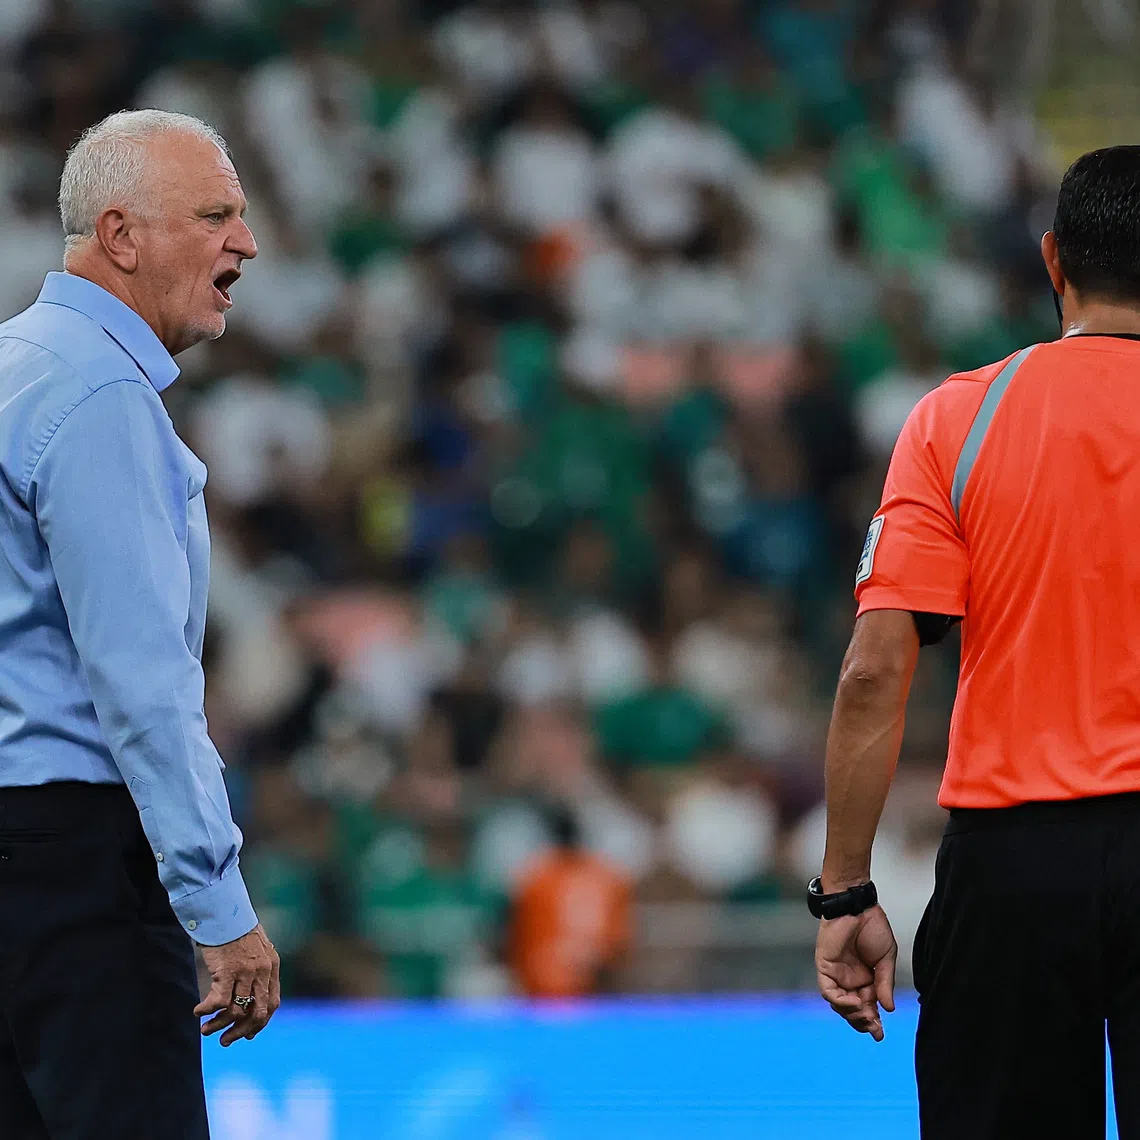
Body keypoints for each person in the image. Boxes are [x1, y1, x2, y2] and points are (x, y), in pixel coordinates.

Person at [810, 145, 1140, 1139]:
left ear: (1053, 261)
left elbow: (875, 669)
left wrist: (845, 892)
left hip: (1012, 866)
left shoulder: (957, 419)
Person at [0, 110, 279, 1140]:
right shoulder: (99, 396)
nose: (245, 243)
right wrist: (218, 906)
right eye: (214, 216)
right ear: (120, 236)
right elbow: (143, 689)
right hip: (78, 874)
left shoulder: (15, 366)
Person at [510, 804, 631, 999]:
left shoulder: (536, 877)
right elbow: (619, 939)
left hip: (543, 985)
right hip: (592, 986)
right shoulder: (607, 876)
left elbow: (516, 931)